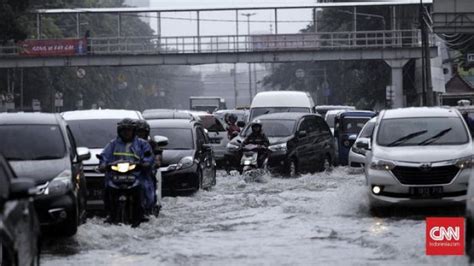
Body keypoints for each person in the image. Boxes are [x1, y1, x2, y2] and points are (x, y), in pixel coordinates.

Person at [99, 118, 155, 223]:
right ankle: (109, 213)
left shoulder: (142, 144)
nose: (126, 132)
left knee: (143, 188)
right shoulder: (113, 144)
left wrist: (146, 163)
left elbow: (148, 156)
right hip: (115, 175)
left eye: (129, 130)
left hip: (137, 175)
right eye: (124, 130)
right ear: (119, 131)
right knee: (107, 188)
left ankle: (142, 212)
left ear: (133, 131)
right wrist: (103, 165)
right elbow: (104, 156)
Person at [135, 120, 162, 214]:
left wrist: (156, 162)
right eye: (138, 131)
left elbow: (157, 154)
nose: (140, 134)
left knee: (148, 185)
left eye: (142, 132)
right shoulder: (127, 144)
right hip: (130, 172)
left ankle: (150, 207)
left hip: (145, 172)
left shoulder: (151, 144)